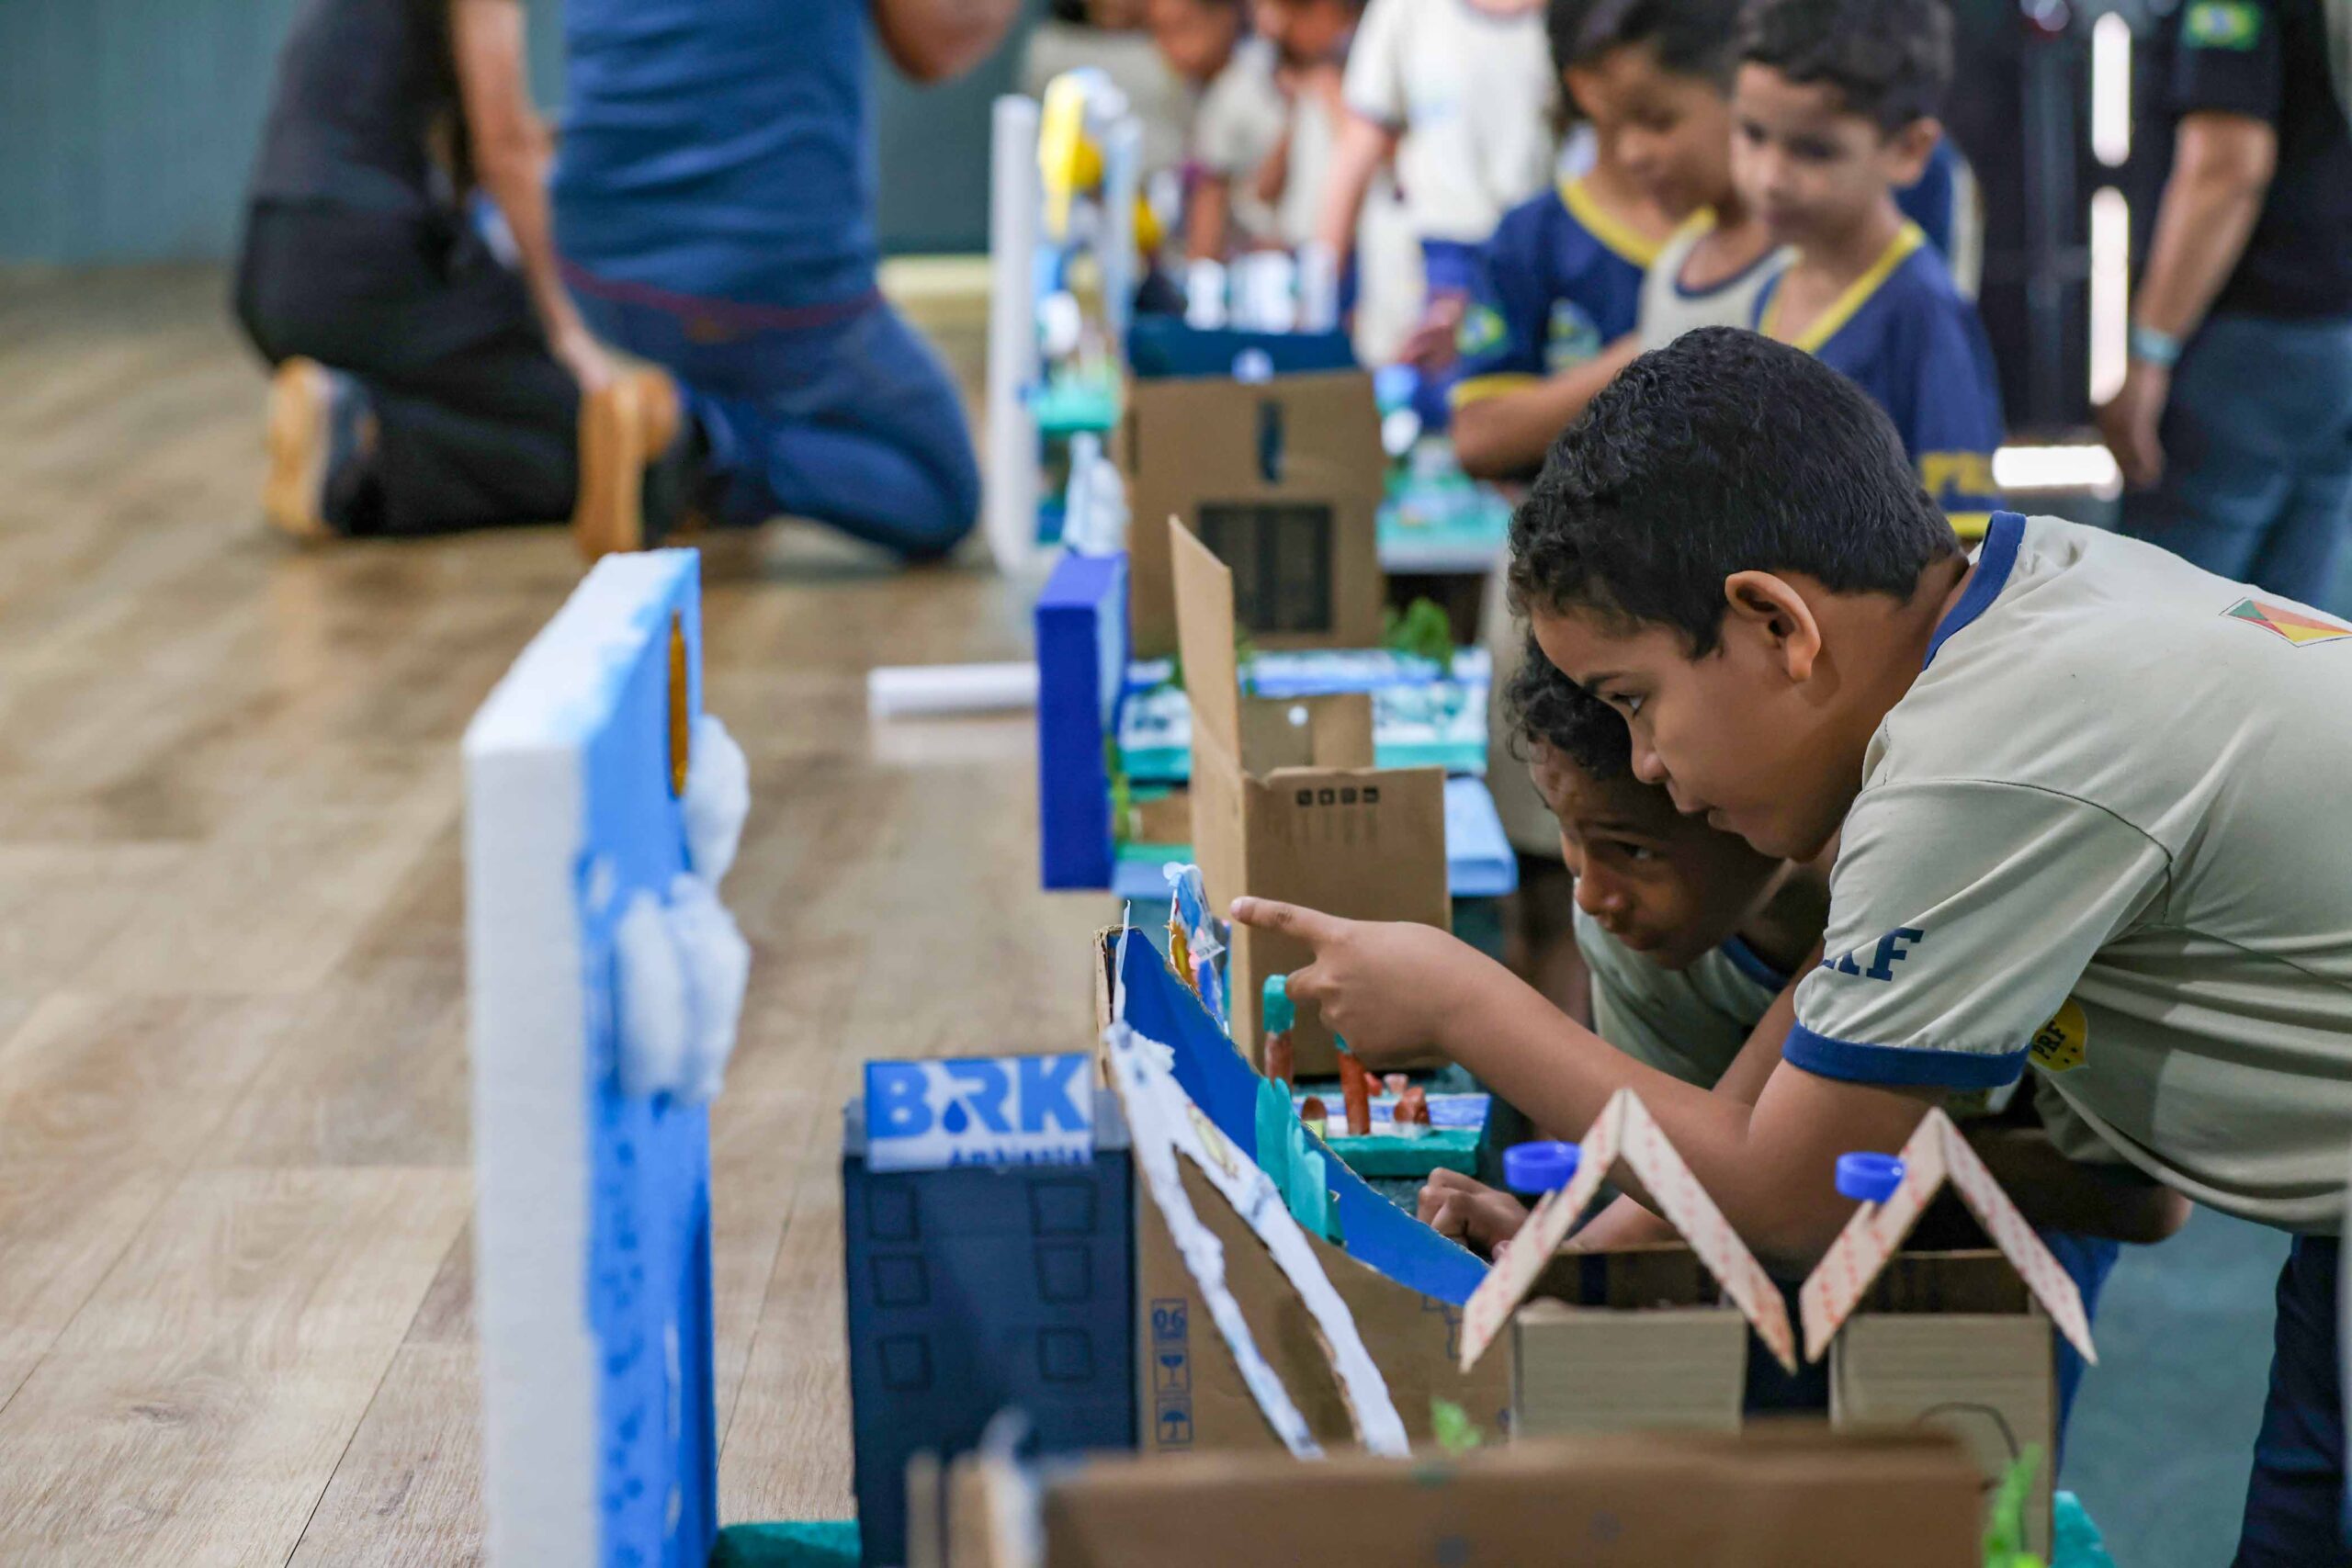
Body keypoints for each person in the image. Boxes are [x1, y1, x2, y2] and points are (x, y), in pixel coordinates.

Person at [1233, 327, 2352, 1565]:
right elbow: (1772, 1100)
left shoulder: (1972, 763)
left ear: (1774, 622)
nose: (1646, 763)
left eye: (1634, 700)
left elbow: (1790, 1194)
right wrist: (1601, 1232)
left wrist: (1461, 1003)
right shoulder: (2014, 603)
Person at [1423, 638, 2183, 1429]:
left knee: (1970, 1495)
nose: (1590, 892)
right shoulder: (1638, 943)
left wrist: (1796, 1154)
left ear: (1738, 802)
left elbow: (2143, 1202)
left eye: (1633, 848)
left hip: (1993, 1263)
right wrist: (1566, 1261)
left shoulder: (1948, 899)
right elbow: (1691, 1186)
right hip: (1771, 1255)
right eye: (1570, 838)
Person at [550, 0, 1019, 560]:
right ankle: (692, 446)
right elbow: (937, 46)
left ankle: (680, 438)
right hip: (767, 282)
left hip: (599, 271)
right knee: (943, 490)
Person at [235, 0, 662, 541]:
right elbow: (502, 148)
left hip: (270, 277)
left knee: (497, 399)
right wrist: (567, 328)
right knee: (593, 441)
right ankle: (365, 456)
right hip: (364, 271)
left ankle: (348, 415)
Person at [2097, 0, 2352, 611]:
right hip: (2332, 336)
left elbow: (2227, 167)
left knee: (2165, 620)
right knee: (2305, 632)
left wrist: (2150, 350)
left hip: (2247, 346)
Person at [1734, 0, 2005, 537]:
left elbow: (1964, 539)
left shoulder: (1923, 312)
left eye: (1813, 150)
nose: (1769, 177)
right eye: (1752, 134)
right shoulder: (1773, 284)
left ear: (1909, 149)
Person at [1444, 0, 1676, 482]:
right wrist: (1657, 352)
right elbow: (1477, 438)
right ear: (1586, 84)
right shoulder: (1531, 240)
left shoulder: (1754, 230)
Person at [1313, 0, 1559, 424]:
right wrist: (1319, 286)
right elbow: (1359, 146)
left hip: (1538, 260)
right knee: (1432, 420)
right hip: (1437, 265)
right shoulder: (1407, 11)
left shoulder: (1562, 17)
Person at [1181, 0, 1364, 259]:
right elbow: (1261, 191)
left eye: (1278, 10)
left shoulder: (1359, 69)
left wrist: (1332, 99)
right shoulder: (1253, 81)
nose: (1269, 25)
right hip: (1296, 253)